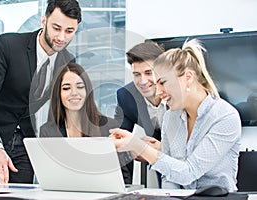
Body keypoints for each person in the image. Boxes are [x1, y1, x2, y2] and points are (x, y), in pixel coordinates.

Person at [0, 0, 81, 184]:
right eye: (56, 28)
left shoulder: (67, 60)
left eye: (69, 31)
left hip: (24, 145)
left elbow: (62, 110)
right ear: (44, 21)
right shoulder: (9, 45)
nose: (61, 37)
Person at [110, 39, 241, 192]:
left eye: (163, 82)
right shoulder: (170, 117)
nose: (158, 92)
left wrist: (139, 146)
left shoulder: (225, 117)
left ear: (188, 77)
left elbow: (188, 173)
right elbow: (168, 177)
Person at [40, 62, 130, 183]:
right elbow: (48, 177)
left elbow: (124, 178)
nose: (74, 93)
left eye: (80, 87)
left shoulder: (109, 127)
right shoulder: (48, 131)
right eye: (66, 88)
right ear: (58, 94)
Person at [114, 41, 167, 185]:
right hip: (158, 158)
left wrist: (160, 149)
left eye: (148, 73)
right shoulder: (126, 96)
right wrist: (124, 188)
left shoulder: (176, 93)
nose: (143, 81)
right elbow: (119, 141)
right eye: (137, 74)